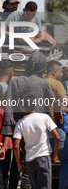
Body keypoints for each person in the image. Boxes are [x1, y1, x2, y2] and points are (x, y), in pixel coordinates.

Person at [0, 51, 54, 189]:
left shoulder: (14, 81)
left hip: (18, 126)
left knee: (17, 162)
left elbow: (5, 103)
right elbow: (51, 99)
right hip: (37, 128)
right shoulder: (42, 83)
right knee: (34, 161)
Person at [13, 92, 60, 189]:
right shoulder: (44, 117)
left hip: (30, 160)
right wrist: (54, 155)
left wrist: (19, 163)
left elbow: (16, 146)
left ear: (21, 107)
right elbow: (58, 137)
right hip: (44, 157)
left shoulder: (20, 123)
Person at [45, 60, 68, 189]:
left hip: (37, 127)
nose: (61, 74)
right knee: (66, 159)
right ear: (54, 72)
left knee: (43, 160)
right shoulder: (56, 83)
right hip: (54, 126)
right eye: (60, 71)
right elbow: (66, 102)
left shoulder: (40, 82)